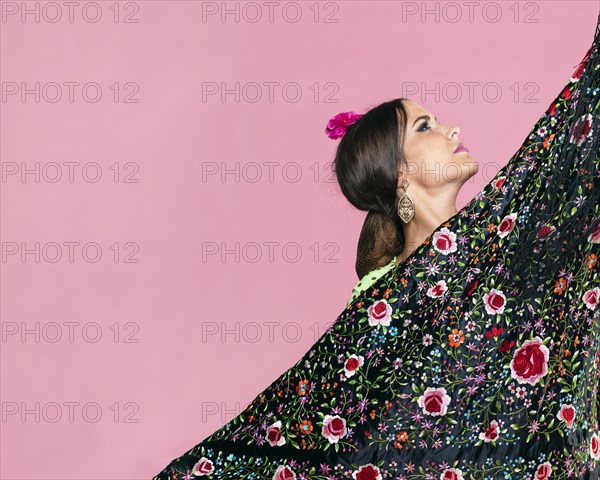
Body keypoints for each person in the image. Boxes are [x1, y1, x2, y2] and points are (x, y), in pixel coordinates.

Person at [154, 10, 600, 479]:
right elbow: (350, 431)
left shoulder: (509, 249)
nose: (453, 131)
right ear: (399, 173)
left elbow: (571, 180)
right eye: (425, 127)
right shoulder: (383, 295)